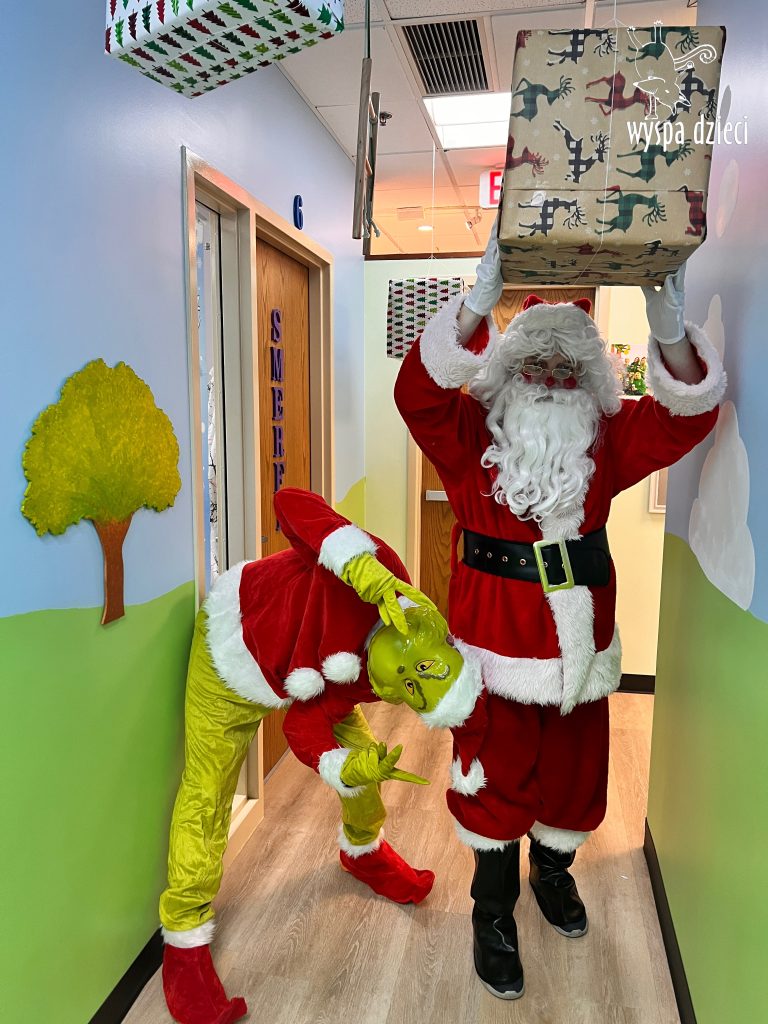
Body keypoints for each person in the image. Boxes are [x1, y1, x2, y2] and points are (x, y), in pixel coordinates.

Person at [393, 225, 726, 1000]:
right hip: (494, 653)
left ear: (590, 384)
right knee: (493, 785)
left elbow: (687, 419)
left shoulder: (607, 444)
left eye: (565, 369)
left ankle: (552, 871)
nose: (548, 380)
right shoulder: (469, 437)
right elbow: (417, 394)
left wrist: (670, 335)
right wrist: (473, 308)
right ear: (507, 374)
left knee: (573, 782)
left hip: (581, 656)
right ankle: (492, 914)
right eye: (534, 365)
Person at [160, 487, 441, 1024]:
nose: (403, 687)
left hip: (308, 684)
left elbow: (304, 723)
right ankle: (184, 937)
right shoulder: (381, 572)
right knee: (206, 795)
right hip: (230, 658)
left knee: (364, 763)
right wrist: (358, 564)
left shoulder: (381, 680)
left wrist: (347, 766)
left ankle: (363, 852)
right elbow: (289, 500)